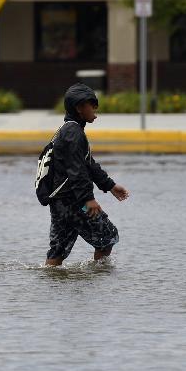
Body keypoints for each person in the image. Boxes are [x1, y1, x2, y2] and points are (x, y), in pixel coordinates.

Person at [44, 83, 129, 266]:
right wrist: (87, 199)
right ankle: (98, 277)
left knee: (58, 250)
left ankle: (52, 288)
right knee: (107, 237)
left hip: (60, 201)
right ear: (79, 107)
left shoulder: (69, 130)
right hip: (74, 202)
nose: (96, 108)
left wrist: (110, 185)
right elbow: (77, 170)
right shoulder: (74, 133)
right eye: (92, 104)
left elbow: (87, 164)